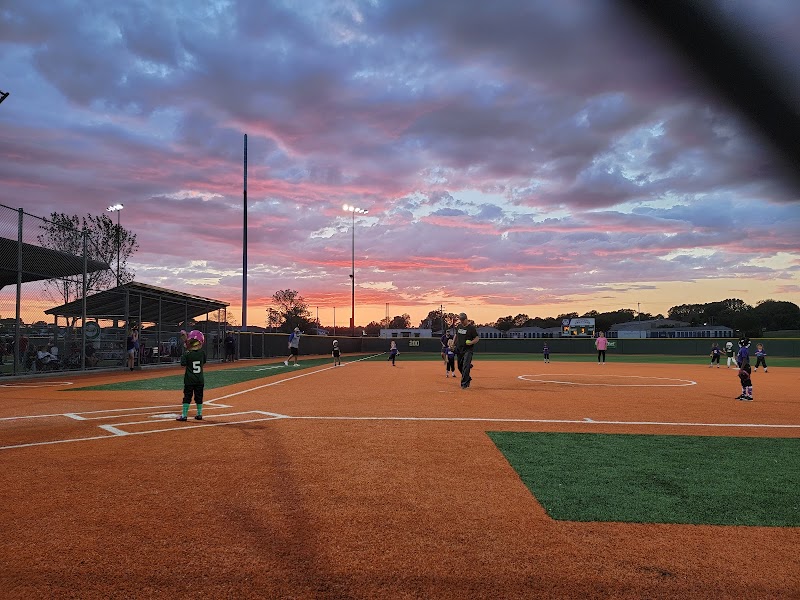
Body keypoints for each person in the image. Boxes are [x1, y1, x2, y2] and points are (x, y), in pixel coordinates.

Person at [176, 330, 207, 421]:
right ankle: (199, 414)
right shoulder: (202, 353)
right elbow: (203, 362)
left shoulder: (187, 354)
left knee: (187, 397)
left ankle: (184, 415)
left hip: (189, 380)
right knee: (199, 397)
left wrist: (187, 349)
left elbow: (183, 364)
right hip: (199, 380)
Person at [454, 312, 479, 389]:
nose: (461, 322)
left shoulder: (471, 328)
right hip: (459, 349)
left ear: (466, 319)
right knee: (459, 367)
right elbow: (456, 335)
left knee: (466, 366)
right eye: (460, 320)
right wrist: (453, 343)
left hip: (468, 350)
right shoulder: (459, 326)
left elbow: (477, 338)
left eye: (462, 320)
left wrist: (471, 342)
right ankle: (467, 377)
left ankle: (464, 384)